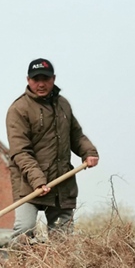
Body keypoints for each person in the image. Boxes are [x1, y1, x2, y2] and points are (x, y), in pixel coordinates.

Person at [6, 58, 99, 242]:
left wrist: (89, 152)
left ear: (53, 79)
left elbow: (76, 135)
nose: (41, 84)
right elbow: (20, 152)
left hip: (61, 183)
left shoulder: (63, 105)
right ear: (28, 80)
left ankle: (59, 262)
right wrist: (38, 180)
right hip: (28, 185)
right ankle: (20, 261)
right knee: (24, 231)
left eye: (45, 79)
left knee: (62, 238)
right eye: (36, 79)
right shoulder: (18, 109)